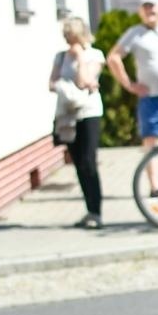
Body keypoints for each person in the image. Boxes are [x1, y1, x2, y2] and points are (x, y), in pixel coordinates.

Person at [107, 0, 158, 151]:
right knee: (151, 144)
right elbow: (113, 57)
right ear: (140, 11)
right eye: (145, 7)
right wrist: (129, 85)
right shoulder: (135, 33)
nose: (149, 11)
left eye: (152, 7)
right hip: (150, 98)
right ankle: (152, 177)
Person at [48, 16, 106, 228]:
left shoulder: (94, 55)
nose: (68, 42)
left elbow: (84, 81)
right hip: (68, 116)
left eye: (71, 37)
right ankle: (89, 210)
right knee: (79, 162)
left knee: (89, 161)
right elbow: (51, 83)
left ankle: (97, 211)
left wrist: (80, 57)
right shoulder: (60, 57)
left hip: (89, 113)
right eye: (66, 37)